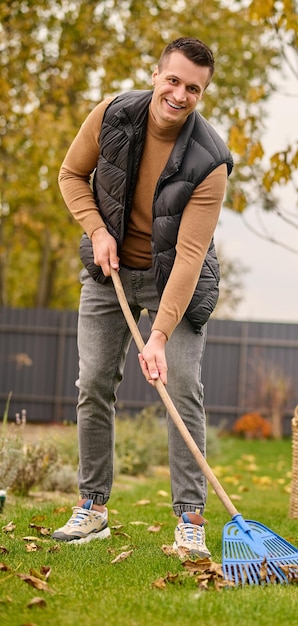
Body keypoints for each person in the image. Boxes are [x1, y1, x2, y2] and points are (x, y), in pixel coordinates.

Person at [51, 37, 233, 557]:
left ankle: (190, 519)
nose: (179, 94)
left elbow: (190, 257)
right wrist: (96, 230)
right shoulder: (112, 113)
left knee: (181, 385)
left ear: (202, 94)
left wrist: (158, 336)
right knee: (93, 384)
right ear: (156, 76)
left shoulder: (211, 162)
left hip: (173, 278)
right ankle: (93, 508)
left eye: (193, 88)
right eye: (172, 80)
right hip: (109, 269)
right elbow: (70, 175)